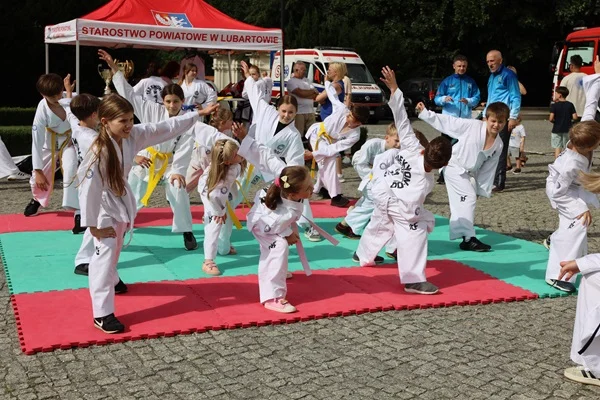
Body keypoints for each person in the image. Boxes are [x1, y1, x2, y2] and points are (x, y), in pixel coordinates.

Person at [78, 94, 205, 334]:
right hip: (103, 207)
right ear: (104, 122)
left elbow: (165, 127)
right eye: (122, 121)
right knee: (102, 259)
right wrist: (92, 225)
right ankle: (102, 313)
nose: (128, 125)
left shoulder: (131, 136)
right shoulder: (99, 150)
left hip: (121, 202)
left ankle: (113, 280)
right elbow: (89, 190)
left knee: (114, 250)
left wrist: (196, 114)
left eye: (130, 119)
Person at [100, 49, 218, 251]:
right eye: (168, 101)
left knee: (178, 190)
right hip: (148, 159)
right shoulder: (151, 110)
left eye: (176, 102)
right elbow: (129, 94)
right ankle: (121, 224)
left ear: (183, 102)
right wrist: (114, 69)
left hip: (172, 163)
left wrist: (179, 171)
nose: (172, 105)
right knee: (131, 193)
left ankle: (186, 231)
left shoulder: (187, 120)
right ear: (163, 101)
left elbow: (185, 147)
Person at [354, 66, 452, 295]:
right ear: (444, 165)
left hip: (381, 193)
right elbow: (410, 211)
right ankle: (413, 280)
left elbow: (401, 118)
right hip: (399, 203)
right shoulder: (425, 183)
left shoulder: (411, 145)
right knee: (415, 232)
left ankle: (363, 254)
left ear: (426, 146)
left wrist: (395, 88)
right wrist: (423, 219)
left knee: (380, 224)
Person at [233, 123, 315, 313]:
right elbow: (274, 226)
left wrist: (245, 139)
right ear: (294, 195)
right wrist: (287, 235)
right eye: (308, 189)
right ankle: (273, 297)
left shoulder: (286, 176)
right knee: (278, 248)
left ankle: (278, 270)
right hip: (263, 224)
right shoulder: (282, 214)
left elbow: (266, 156)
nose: (312, 190)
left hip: (272, 221)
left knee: (280, 247)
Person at [236, 60, 319, 242]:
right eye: (283, 111)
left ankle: (308, 226)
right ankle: (221, 212)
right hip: (251, 158)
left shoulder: (294, 135)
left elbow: (295, 163)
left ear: (296, 112)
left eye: (291, 112)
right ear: (277, 108)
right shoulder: (265, 111)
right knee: (236, 189)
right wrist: (249, 78)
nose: (286, 115)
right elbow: (255, 94)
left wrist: (292, 180)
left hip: (271, 167)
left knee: (296, 191)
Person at [418, 97, 509, 252]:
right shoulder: (472, 125)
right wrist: (426, 113)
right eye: (493, 121)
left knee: (466, 201)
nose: (496, 125)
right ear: (486, 118)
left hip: (469, 173)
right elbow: (449, 122)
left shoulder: (499, 144)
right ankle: (468, 238)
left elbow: (488, 168)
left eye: (500, 122)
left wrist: (481, 188)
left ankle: (466, 235)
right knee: (468, 198)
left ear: (506, 122)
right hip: (454, 166)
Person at [544, 64, 600, 294]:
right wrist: (579, 208)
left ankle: (553, 239)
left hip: (576, 186)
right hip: (561, 189)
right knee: (578, 223)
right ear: (589, 146)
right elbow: (558, 192)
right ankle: (556, 275)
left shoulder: (584, 130)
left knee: (579, 222)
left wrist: (597, 76)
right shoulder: (570, 163)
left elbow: (591, 104)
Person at [24, 73, 80, 233]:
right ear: (43, 95)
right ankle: (37, 200)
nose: (57, 97)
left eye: (59, 93)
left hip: (70, 142)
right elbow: (37, 140)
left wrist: (69, 96)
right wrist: (38, 170)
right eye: (52, 96)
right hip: (49, 144)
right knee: (39, 177)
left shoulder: (73, 97)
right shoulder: (42, 108)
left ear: (62, 88)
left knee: (71, 169)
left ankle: (78, 213)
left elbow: (79, 118)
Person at [60, 78, 103, 275]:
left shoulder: (77, 126)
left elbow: (69, 110)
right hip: (94, 182)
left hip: (87, 180)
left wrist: (69, 92)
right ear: (95, 115)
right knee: (96, 220)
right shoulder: (92, 138)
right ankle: (83, 260)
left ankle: (90, 256)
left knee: (97, 220)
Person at [306, 78, 370, 208]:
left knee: (329, 159)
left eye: (351, 118)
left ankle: (321, 189)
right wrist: (327, 82)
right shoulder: (342, 109)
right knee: (329, 160)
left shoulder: (355, 135)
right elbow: (332, 95)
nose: (347, 117)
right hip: (317, 135)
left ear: (359, 123)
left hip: (330, 144)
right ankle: (335, 196)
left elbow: (335, 148)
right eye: (349, 114)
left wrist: (313, 154)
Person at [335, 123, 400, 239]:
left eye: (401, 142)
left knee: (368, 200)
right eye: (396, 141)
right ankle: (348, 226)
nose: (398, 144)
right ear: (387, 138)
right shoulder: (372, 144)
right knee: (374, 201)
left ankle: (349, 221)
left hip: (375, 176)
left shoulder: (396, 151)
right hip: (361, 164)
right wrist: (376, 177)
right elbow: (360, 164)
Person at [198, 139, 246, 276]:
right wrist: (218, 212)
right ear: (227, 161)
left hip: (222, 194)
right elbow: (213, 196)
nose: (240, 155)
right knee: (214, 225)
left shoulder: (230, 161)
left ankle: (223, 247)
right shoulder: (221, 178)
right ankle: (208, 261)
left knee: (227, 221)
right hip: (209, 196)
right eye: (237, 154)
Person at [434, 54, 481, 184]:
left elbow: (477, 98)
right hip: (449, 121)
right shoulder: (447, 82)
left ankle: (461, 172)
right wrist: (444, 99)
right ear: (454, 66)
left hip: (465, 121)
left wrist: (469, 101)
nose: (461, 68)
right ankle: (443, 174)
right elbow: (436, 99)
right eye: (459, 66)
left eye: (464, 66)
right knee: (445, 148)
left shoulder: (471, 82)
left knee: (463, 148)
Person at [485, 50, 521, 192]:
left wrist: (513, 117)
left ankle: (499, 182)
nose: (490, 64)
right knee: (489, 148)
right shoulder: (491, 77)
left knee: (500, 149)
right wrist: (484, 115)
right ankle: (490, 178)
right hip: (491, 117)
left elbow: (516, 96)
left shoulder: (508, 75)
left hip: (502, 118)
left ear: (500, 60)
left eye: (492, 61)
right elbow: (490, 97)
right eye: (488, 61)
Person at [185, 108, 234, 194]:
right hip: (199, 162)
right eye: (230, 120)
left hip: (210, 163)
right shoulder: (207, 134)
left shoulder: (226, 133)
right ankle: (175, 197)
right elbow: (204, 157)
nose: (232, 122)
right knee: (185, 185)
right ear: (223, 123)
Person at [286, 62, 318, 137]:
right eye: (303, 70)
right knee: (298, 134)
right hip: (299, 112)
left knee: (313, 134)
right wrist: (311, 92)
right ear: (296, 70)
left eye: (305, 70)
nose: (305, 72)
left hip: (310, 111)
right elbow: (300, 93)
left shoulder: (307, 80)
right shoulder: (291, 82)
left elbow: (315, 94)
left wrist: (305, 94)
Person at [550, 86, 577, 159]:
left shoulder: (554, 105)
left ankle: (557, 163)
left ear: (560, 95)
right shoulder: (570, 105)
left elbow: (551, 118)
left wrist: (554, 122)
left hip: (556, 129)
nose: (554, 95)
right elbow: (575, 117)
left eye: (556, 93)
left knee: (557, 147)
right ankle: (565, 163)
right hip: (567, 128)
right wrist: (570, 121)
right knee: (567, 147)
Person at [560, 55, 587, 119]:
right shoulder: (588, 78)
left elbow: (560, 95)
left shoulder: (566, 79)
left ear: (571, 66)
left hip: (570, 113)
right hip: (584, 112)